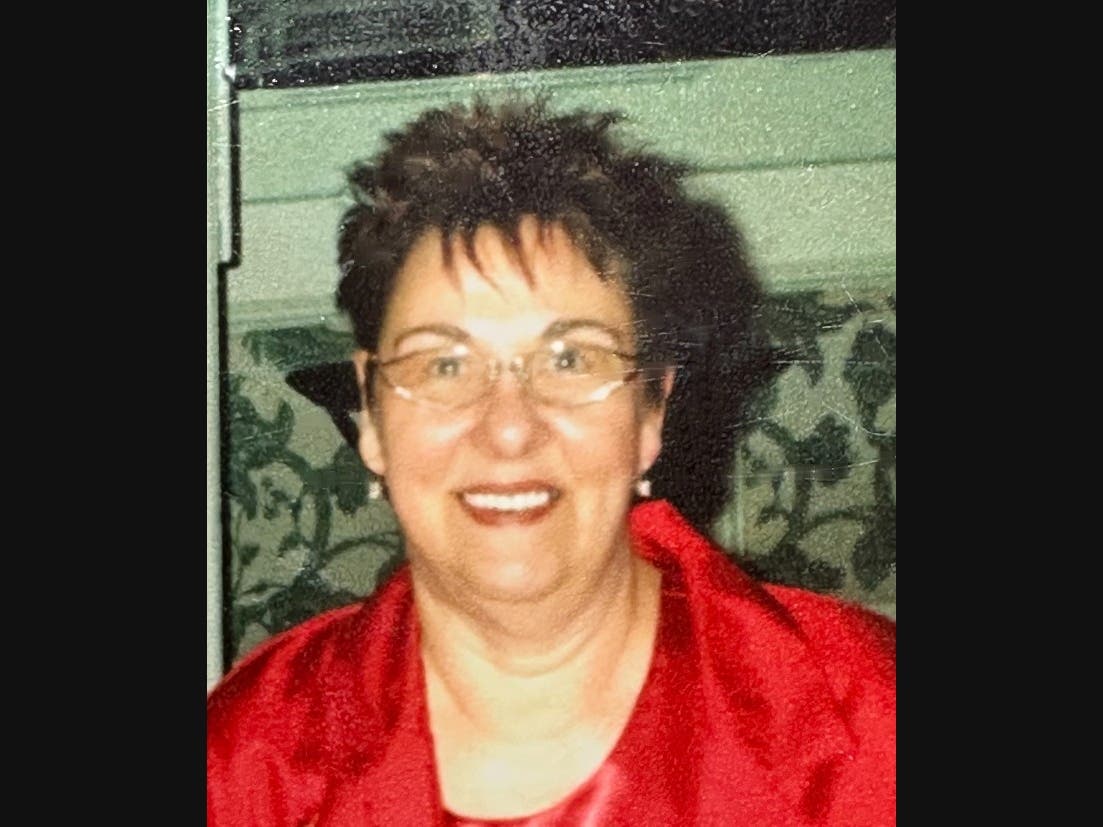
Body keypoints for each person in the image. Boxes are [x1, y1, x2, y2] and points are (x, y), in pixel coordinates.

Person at [207, 99, 895, 826]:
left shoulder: (874, 723)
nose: (509, 429)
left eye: (570, 359)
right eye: (444, 364)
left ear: (651, 408)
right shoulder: (247, 760)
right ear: (371, 414)